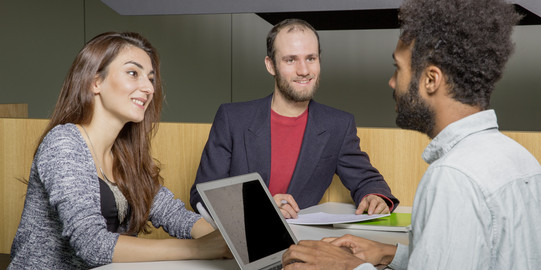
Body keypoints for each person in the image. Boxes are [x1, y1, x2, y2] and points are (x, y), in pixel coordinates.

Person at [282, 0, 541, 269]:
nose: (392, 82)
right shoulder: (522, 159)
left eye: (398, 68)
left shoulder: (453, 176)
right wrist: (389, 254)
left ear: (431, 79)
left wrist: (347, 266)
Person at [8, 32, 231, 269]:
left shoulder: (125, 153)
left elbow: (172, 213)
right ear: (96, 82)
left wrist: (230, 241)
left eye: (151, 78)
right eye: (133, 73)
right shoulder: (64, 142)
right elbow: (92, 245)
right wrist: (199, 248)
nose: (148, 88)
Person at [190, 19, 399, 218]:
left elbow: (368, 180)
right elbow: (202, 195)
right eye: (291, 60)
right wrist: (260, 207)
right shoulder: (232, 119)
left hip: (305, 244)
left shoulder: (338, 125)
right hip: (241, 244)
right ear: (270, 65)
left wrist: (374, 196)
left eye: (311, 58)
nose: (304, 71)